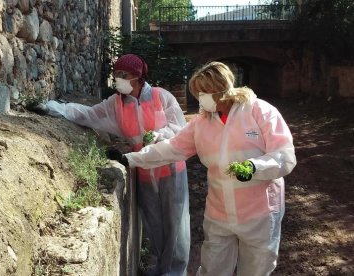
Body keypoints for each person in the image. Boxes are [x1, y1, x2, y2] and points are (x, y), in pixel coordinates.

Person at [113, 61, 297, 276]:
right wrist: (130, 159)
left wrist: (254, 167)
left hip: (259, 212)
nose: (200, 98)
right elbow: (171, 148)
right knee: (212, 269)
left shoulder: (260, 112)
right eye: (198, 93)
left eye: (203, 92)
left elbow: (284, 156)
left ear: (220, 90)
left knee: (256, 269)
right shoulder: (201, 123)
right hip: (220, 212)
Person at [30, 54, 191, 276]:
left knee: (177, 225)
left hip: (171, 168)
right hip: (143, 169)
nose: (118, 79)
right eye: (116, 74)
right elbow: (86, 114)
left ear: (136, 76)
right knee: (154, 224)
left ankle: (175, 272)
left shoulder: (160, 97)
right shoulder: (116, 104)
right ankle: (162, 268)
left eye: (122, 75)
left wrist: (158, 135)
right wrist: (51, 107)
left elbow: (180, 129)